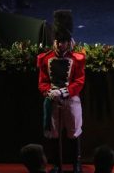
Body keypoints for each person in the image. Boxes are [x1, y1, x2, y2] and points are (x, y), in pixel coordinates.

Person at [37, 10, 86, 173]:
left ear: (68, 42)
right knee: (54, 134)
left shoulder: (76, 59)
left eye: (63, 42)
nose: (60, 45)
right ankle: (57, 164)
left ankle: (76, 164)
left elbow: (79, 82)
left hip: (70, 100)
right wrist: (48, 92)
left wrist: (65, 92)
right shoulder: (45, 59)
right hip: (52, 101)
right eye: (58, 41)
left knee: (74, 132)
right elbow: (42, 82)